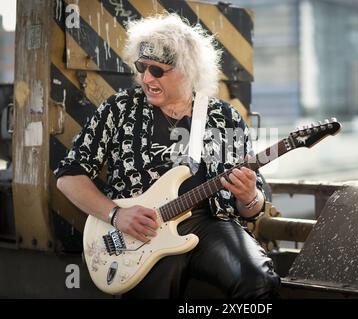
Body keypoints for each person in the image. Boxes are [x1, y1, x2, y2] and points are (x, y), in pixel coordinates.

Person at [55, 13, 280, 298]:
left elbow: (253, 207)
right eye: (142, 67)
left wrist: (248, 196)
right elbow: (69, 176)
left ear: (188, 70)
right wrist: (116, 215)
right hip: (140, 232)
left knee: (258, 279)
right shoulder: (120, 109)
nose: (146, 78)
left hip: (210, 225)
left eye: (158, 71)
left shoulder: (224, 117)